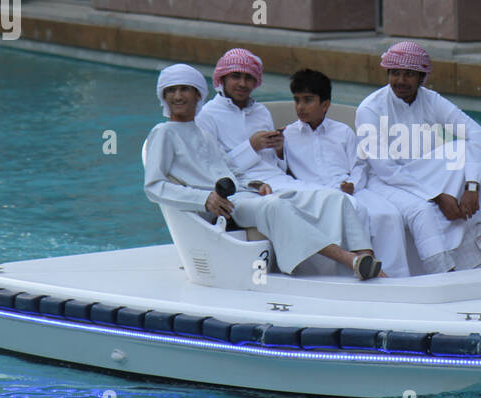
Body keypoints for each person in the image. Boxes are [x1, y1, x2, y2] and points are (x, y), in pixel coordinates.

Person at [144, 63, 382, 279]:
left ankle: (370, 262)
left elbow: (232, 171)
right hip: (224, 207)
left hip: (244, 195)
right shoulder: (163, 133)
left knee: (334, 199)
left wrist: (256, 185)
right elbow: (154, 187)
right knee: (275, 206)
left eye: (185, 89)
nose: (178, 96)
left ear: (197, 94)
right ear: (163, 96)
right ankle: (350, 260)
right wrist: (204, 199)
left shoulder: (204, 133)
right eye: (171, 90)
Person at [356, 41, 481, 273]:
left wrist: (472, 187)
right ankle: (444, 271)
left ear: (421, 78)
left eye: (409, 74)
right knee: (421, 210)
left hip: (422, 169)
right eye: (395, 73)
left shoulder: (430, 99)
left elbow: (480, 136)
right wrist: (436, 196)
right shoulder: (369, 109)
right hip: (383, 181)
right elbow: (384, 168)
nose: (401, 81)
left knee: (467, 148)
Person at [282, 68, 412, 278]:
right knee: (353, 216)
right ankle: (357, 274)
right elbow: (281, 171)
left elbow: (360, 164)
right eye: (297, 100)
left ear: (325, 104)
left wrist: (353, 184)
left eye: (308, 100)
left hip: (352, 189)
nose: (300, 107)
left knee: (388, 215)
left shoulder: (342, 132)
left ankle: (396, 277)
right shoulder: (287, 136)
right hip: (318, 194)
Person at [196, 47, 298, 189]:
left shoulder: (261, 112)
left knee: (329, 196)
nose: (242, 84)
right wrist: (251, 146)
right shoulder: (207, 115)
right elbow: (213, 169)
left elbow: (275, 164)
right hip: (245, 188)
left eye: (248, 78)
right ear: (222, 78)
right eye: (236, 76)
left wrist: (279, 149)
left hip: (280, 180)